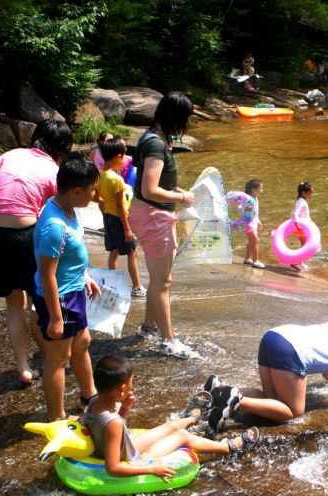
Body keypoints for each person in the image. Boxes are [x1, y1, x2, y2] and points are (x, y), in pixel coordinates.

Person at [202, 299, 328, 428]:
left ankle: (221, 390)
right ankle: (237, 401)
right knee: (293, 413)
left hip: (272, 336)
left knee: (272, 400)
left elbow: (327, 362)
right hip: (290, 350)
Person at [0, 119, 72, 385]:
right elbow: (61, 209)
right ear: (61, 147)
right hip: (24, 234)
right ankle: (50, 359)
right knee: (39, 298)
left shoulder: (12, 154)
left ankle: (23, 368)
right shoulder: (52, 169)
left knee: (14, 304)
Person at [85, 356, 259, 479]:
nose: (132, 389)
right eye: (131, 385)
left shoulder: (94, 402)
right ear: (121, 389)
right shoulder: (113, 423)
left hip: (126, 446)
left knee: (171, 426)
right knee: (183, 436)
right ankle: (229, 447)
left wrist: (125, 408)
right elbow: (113, 467)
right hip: (131, 458)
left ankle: (192, 418)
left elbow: (111, 432)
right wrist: (151, 469)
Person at [32, 152, 101, 420]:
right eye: (92, 190)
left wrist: (83, 275)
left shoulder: (68, 208)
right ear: (75, 191)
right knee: (57, 359)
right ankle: (57, 418)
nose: (94, 195)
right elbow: (47, 274)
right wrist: (56, 319)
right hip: (58, 298)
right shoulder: (54, 226)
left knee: (83, 341)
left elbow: (70, 255)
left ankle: (90, 395)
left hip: (73, 290)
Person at [128, 92, 197, 359]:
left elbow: (151, 183)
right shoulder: (157, 145)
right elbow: (150, 189)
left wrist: (177, 190)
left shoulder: (150, 136)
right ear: (176, 117)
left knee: (160, 280)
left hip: (148, 213)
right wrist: (181, 197)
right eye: (186, 119)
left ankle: (148, 327)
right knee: (162, 282)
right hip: (154, 216)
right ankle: (169, 341)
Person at [96, 138, 145, 297]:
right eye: (124, 157)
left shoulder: (100, 175)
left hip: (108, 217)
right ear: (118, 157)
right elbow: (120, 206)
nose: (124, 161)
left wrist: (105, 213)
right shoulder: (116, 180)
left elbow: (98, 199)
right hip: (119, 219)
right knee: (132, 253)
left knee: (114, 251)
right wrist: (127, 229)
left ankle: (112, 283)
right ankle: (137, 287)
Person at [290, 181, 314, 272]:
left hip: (300, 226)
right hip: (300, 227)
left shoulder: (300, 200)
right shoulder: (302, 202)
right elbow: (295, 213)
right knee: (304, 245)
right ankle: (295, 262)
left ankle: (300, 262)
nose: (312, 195)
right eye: (310, 193)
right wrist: (297, 225)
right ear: (304, 193)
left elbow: (293, 213)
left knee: (304, 244)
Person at [243, 179, 264, 269]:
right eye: (261, 188)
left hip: (254, 223)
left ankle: (247, 259)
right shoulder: (248, 199)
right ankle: (255, 261)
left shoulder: (256, 199)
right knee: (256, 241)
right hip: (249, 224)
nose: (262, 190)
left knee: (251, 242)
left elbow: (255, 212)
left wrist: (258, 221)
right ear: (254, 190)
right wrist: (245, 209)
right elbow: (240, 209)